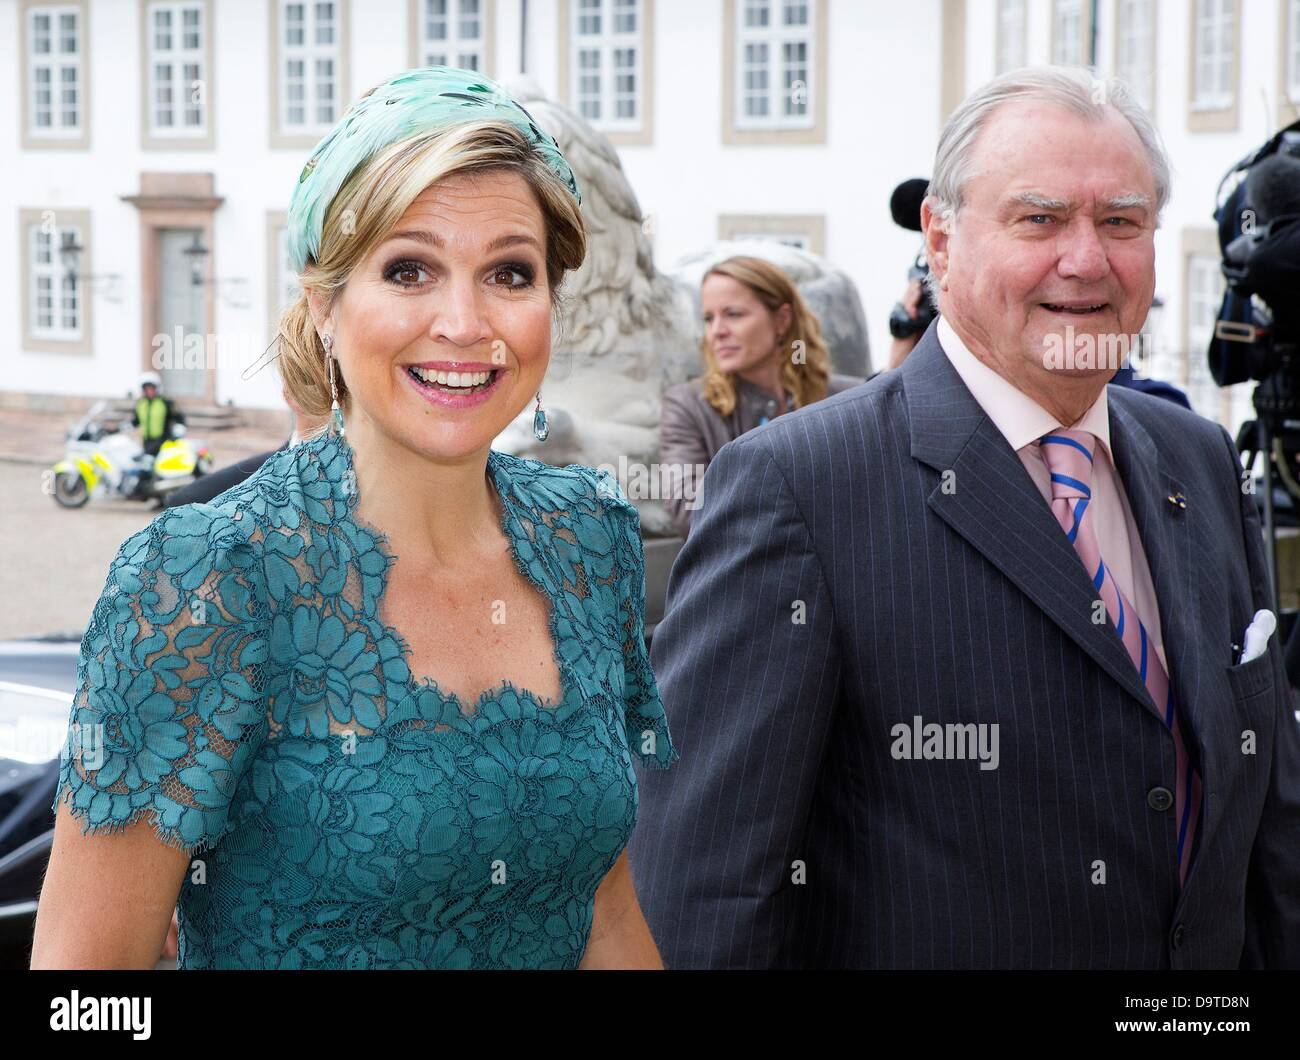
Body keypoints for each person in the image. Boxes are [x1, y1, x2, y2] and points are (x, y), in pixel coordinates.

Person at [629, 66, 1300, 968]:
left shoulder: (1199, 459)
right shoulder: (798, 488)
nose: (1087, 259)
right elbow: (702, 891)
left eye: (1121, 221)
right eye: (1040, 218)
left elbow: (1268, 836)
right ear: (940, 243)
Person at [33, 65, 676, 971]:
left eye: (509, 272)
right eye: (409, 269)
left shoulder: (589, 541)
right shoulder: (207, 578)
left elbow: (602, 908)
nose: (464, 321)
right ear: (325, 305)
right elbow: (84, 982)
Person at [659, 256, 861, 538]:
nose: (717, 331)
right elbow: (688, 507)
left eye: (733, 314)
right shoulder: (688, 405)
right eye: (709, 318)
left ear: (781, 320)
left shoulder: (849, 400)